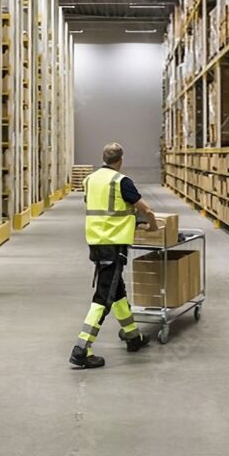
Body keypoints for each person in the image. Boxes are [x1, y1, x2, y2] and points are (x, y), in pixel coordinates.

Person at [69, 142, 158, 369]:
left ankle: (132, 336)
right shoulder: (121, 181)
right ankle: (82, 349)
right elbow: (145, 209)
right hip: (114, 244)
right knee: (103, 297)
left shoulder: (90, 180)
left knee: (117, 291)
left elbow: (102, 208)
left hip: (96, 242)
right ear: (120, 160)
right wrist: (153, 226)